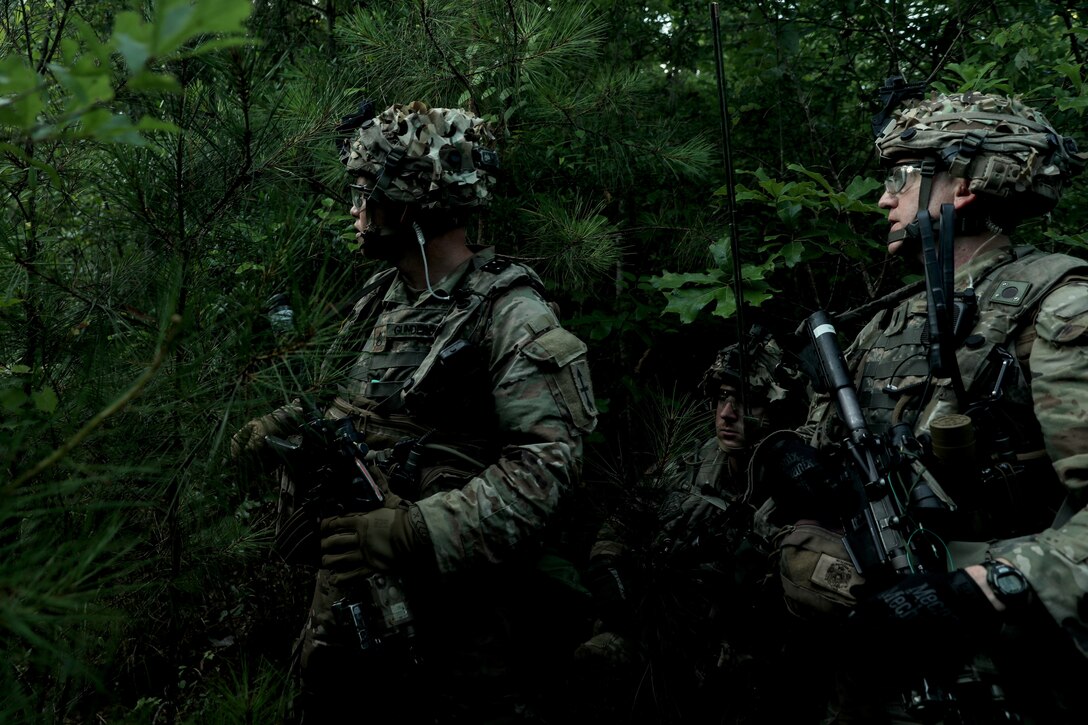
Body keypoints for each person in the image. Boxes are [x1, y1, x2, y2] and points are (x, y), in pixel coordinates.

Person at [232, 101, 597, 723]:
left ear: (410, 203)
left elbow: (545, 470)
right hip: (354, 606)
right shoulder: (386, 294)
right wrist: (279, 424)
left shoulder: (512, 314)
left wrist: (409, 532)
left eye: (365, 192)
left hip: (457, 624)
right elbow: (346, 399)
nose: (354, 209)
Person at [775, 87, 1088, 722]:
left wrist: (985, 589)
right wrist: (793, 462)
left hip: (1002, 678)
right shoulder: (886, 324)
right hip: (865, 671)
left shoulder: (1061, 309)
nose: (885, 198)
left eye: (900, 176)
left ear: (965, 185)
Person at [576, 328, 810, 724]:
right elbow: (618, 526)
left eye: (746, 400)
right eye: (721, 398)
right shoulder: (690, 464)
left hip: (746, 653)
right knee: (598, 657)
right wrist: (609, 570)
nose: (727, 413)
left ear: (777, 407)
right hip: (664, 639)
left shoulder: (797, 482)